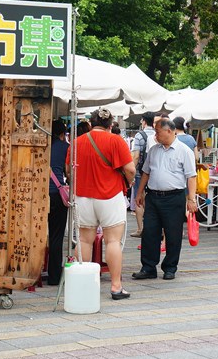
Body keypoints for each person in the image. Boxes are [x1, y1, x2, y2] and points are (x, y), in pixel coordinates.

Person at [66, 108, 136, 300]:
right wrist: (129, 183)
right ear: (110, 125)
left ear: (90, 123)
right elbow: (130, 169)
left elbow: (69, 171)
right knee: (112, 241)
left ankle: (82, 285)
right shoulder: (115, 141)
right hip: (110, 195)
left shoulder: (76, 142)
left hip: (83, 196)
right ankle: (116, 286)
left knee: (83, 240)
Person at [133, 118, 197, 281]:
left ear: (169, 131)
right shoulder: (154, 150)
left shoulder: (184, 151)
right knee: (150, 232)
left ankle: (170, 267)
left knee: (173, 233)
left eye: (158, 132)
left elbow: (191, 177)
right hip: (153, 197)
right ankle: (148, 267)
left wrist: (191, 199)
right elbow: (146, 172)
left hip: (174, 197)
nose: (155, 135)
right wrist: (139, 193)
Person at [47, 120, 69, 286]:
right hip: (56, 194)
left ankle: (32, 271)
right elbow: (68, 172)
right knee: (56, 236)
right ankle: (54, 276)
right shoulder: (66, 147)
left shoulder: (42, 146)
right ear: (62, 133)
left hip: (39, 194)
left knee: (37, 235)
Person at [129, 112, 157, 237]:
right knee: (154, 199)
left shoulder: (140, 136)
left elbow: (136, 156)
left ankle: (141, 229)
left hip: (141, 172)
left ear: (144, 121)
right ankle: (156, 228)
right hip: (156, 172)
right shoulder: (159, 135)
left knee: (139, 198)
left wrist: (131, 173)